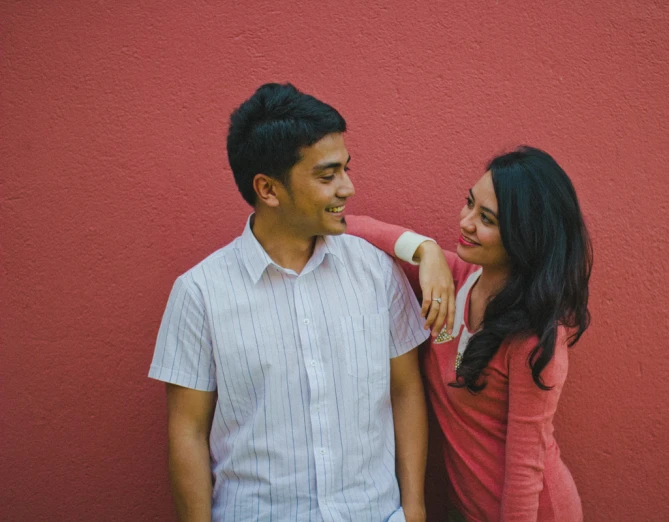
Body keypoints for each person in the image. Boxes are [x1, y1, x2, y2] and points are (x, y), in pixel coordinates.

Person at [148, 83, 429, 522]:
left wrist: (413, 510)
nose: (348, 188)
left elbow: (406, 390)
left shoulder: (376, 273)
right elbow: (188, 430)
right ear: (268, 189)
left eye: (347, 169)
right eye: (327, 175)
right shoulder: (199, 293)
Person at [347, 146, 592, 522]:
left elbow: (526, 469)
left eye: (487, 219)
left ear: (525, 236)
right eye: (469, 203)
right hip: (469, 510)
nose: (466, 222)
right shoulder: (452, 278)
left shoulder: (536, 340)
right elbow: (355, 226)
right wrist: (425, 250)